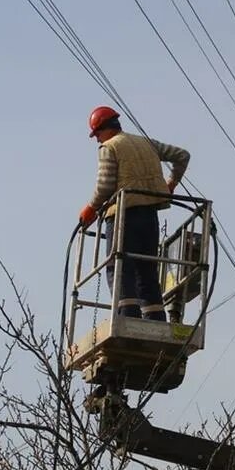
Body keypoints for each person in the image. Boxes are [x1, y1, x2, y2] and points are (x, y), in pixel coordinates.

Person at [78, 105, 190, 321]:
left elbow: (105, 186)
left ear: (104, 129)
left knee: (118, 265)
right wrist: (171, 183)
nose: (97, 139)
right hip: (149, 216)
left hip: (123, 216)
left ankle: (126, 317)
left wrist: (91, 208)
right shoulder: (146, 143)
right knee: (146, 269)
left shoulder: (109, 147)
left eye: (97, 134)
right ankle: (155, 318)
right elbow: (182, 156)